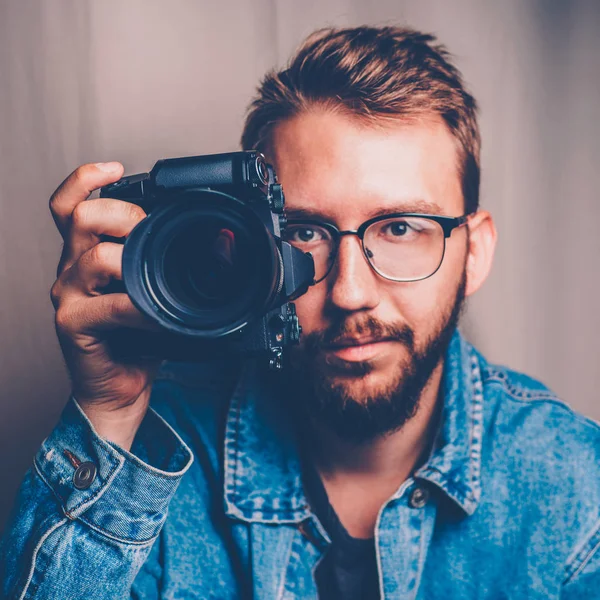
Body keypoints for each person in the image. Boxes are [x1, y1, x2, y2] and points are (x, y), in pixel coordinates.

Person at [1, 25, 599, 600]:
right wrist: (106, 417)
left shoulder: (573, 487)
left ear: (476, 253)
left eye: (400, 228)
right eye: (306, 231)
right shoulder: (155, 451)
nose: (350, 291)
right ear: (243, 245)